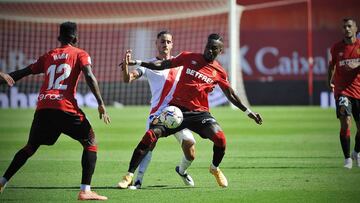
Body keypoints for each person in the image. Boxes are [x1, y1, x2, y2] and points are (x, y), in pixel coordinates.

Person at [118, 33, 262, 188]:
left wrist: (249, 112)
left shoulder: (219, 72)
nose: (209, 50)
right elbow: (162, 65)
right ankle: (129, 175)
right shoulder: (188, 57)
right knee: (150, 135)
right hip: (175, 110)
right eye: (208, 46)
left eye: (214, 48)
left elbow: (231, 94)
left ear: (220, 51)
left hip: (200, 114)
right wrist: (136, 62)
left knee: (220, 139)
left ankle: (214, 168)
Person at [0, 22, 110, 200]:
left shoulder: (49, 55)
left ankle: (2, 182)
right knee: (90, 142)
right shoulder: (80, 53)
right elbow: (89, 75)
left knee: (30, 147)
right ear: (75, 38)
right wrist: (100, 102)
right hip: (65, 107)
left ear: (59, 37)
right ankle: (85, 191)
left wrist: (8, 76)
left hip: (43, 107)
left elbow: (26, 71)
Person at [120, 31, 196, 189]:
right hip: (158, 113)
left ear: (172, 44)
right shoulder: (148, 65)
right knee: (149, 145)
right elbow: (128, 79)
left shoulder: (180, 64)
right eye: (162, 41)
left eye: (168, 42)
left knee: (191, 149)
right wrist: (126, 68)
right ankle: (138, 181)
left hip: (177, 114)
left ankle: (182, 171)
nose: (165, 44)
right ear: (156, 44)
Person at [328, 17, 360, 169]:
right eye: (344, 27)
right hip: (342, 91)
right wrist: (330, 81)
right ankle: (347, 159)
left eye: (349, 26)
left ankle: (356, 152)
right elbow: (331, 66)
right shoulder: (336, 48)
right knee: (345, 121)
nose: (346, 29)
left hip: (358, 91)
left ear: (355, 29)